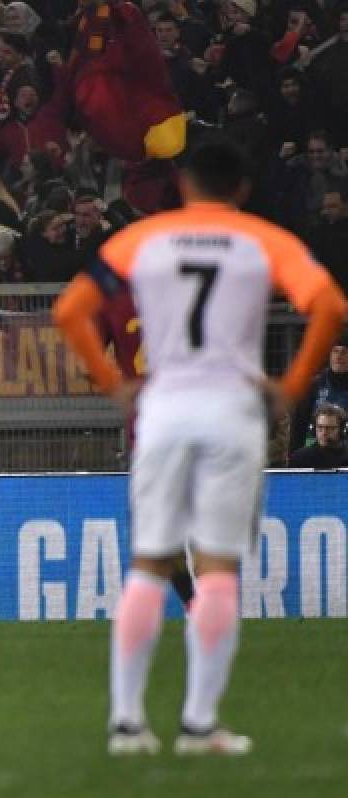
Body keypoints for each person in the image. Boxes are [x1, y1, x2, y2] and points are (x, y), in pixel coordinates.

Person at [53, 140, 348, 756]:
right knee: (217, 571)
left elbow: (71, 310)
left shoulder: (142, 241)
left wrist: (114, 385)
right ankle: (197, 723)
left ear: (183, 186)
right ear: (240, 189)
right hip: (231, 410)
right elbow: (329, 304)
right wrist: (291, 387)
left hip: (162, 408)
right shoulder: (263, 240)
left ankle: (128, 723)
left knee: (149, 564)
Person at [288, 403, 348, 468]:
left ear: (342, 430)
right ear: (314, 428)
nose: (324, 433)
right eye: (320, 427)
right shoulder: (299, 458)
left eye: (330, 428)